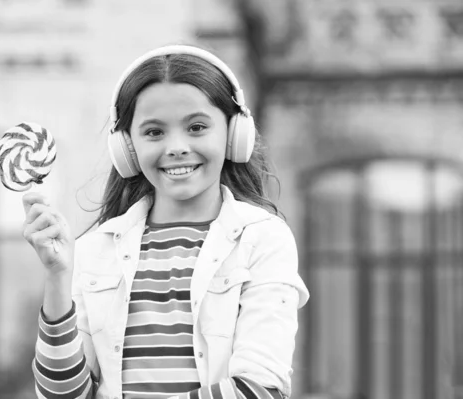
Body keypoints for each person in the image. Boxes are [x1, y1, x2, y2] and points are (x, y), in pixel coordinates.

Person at [21, 45, 310, 399]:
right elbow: (61, 396)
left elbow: (260, 389)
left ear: (235, 133)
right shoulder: (93, 251)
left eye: (197, 127)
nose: (176, 146)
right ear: (126, 148)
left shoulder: (264, 240)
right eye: (154, 132)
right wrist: (56, 275)